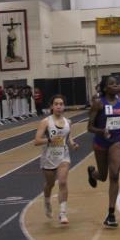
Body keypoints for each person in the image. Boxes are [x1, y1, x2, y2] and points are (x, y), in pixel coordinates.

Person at [86, 76, 120, 228]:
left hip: (116, 141)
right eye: (111, 84)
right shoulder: (98, 103)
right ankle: (92, 173)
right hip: (101, 142)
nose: (115, 85)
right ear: (105, 88)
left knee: (114, 175)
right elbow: (89, 127)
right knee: (103, 176)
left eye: (116, 83)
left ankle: (111, 214)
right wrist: (102, 131)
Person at [34, 95, 77, 225]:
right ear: (52, 106)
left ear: (64, 106)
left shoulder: (68, 122)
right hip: (49, 157)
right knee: (50, 184)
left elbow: (68, 137)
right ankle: (47, 201)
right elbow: (36, 141)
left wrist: (72, 144)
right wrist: (49, 140)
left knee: (62, 182)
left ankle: (63, 213)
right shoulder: (46, 122)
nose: (59, 106)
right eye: (56, 104)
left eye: (61, 104)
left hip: (63, 156)